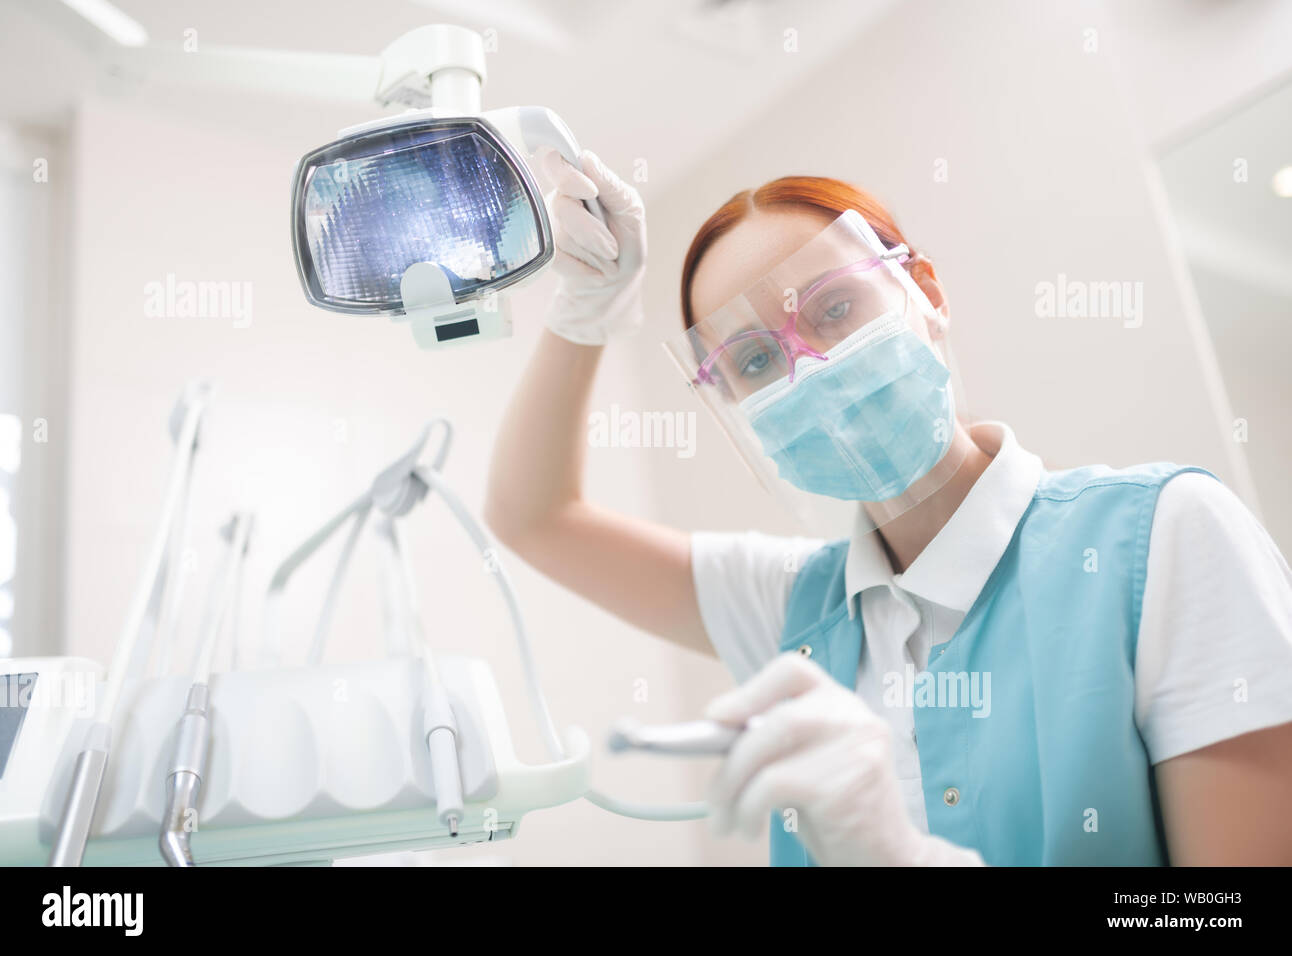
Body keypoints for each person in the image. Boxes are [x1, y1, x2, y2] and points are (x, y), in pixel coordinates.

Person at [484, 150, 1292, 866]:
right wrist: (584, 313)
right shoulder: (793, 610)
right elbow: (533, 515)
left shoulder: (1161, 537)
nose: (810, 367)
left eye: (833, 308)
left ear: (924, 292)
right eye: (757, 359)